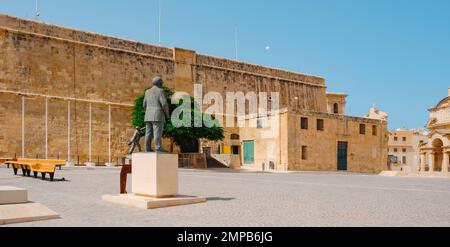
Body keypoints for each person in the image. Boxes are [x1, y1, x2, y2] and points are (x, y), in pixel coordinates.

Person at [143, 76, 170, 152]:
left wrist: (148, 111)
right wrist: (167, 114)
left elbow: (144, 104)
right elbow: (164, 104)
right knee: (157, 132)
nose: (163, 83)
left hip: (148, 115)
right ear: (159, 83)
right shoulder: (161, 91)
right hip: (158, 114)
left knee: (148, 133)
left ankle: (147, 148)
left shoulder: (147, 91)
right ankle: (158, 147)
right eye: (162, 82)